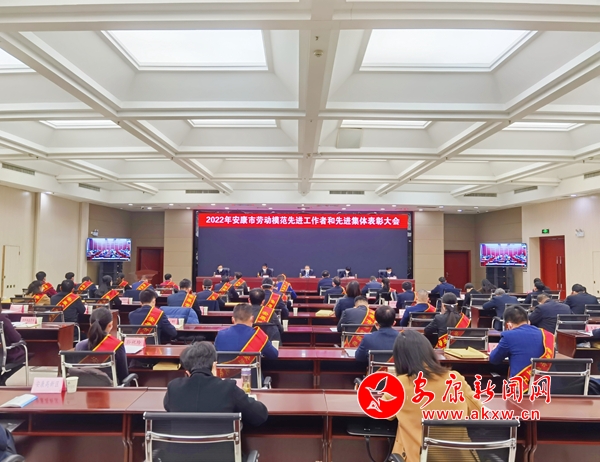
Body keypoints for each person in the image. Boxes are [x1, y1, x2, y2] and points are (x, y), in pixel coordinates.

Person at [389, 330, 482, 462]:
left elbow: (386, 414)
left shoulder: (399, 385)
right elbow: (478, 411)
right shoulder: (454, 378)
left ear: (400, 359)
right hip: (459, 458)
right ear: (429, 352)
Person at [163, 342, 268, 426]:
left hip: (180, 447)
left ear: (187, 372)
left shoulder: (173, 387)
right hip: (221, 448)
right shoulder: (228, 388)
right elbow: (260, 415)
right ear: (214, 365)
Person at [490, 306, 554, 389]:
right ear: (529, 322)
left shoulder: (508, 336)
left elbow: (494, 359)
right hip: (545, 386)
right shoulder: (547, 335)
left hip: (519, 388)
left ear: (508, 325)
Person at [75, 307, 129, 384]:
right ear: (110, 325)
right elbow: (123, 375)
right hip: (110, 389)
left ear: (90, 324)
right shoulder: (117, 345)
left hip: (84, 388)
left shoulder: (79, 346)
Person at [214, 304, 279, 359]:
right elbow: (274, 355)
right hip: (252, 371)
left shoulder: (220, 335)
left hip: (224, 371)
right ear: (252, 319)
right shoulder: (259, 336)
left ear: (232, 320)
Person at [0, 313, 26, 385]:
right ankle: (3, 378)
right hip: (3, 355)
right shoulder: (2, 318)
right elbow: (16, 338)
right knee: (24, 354)